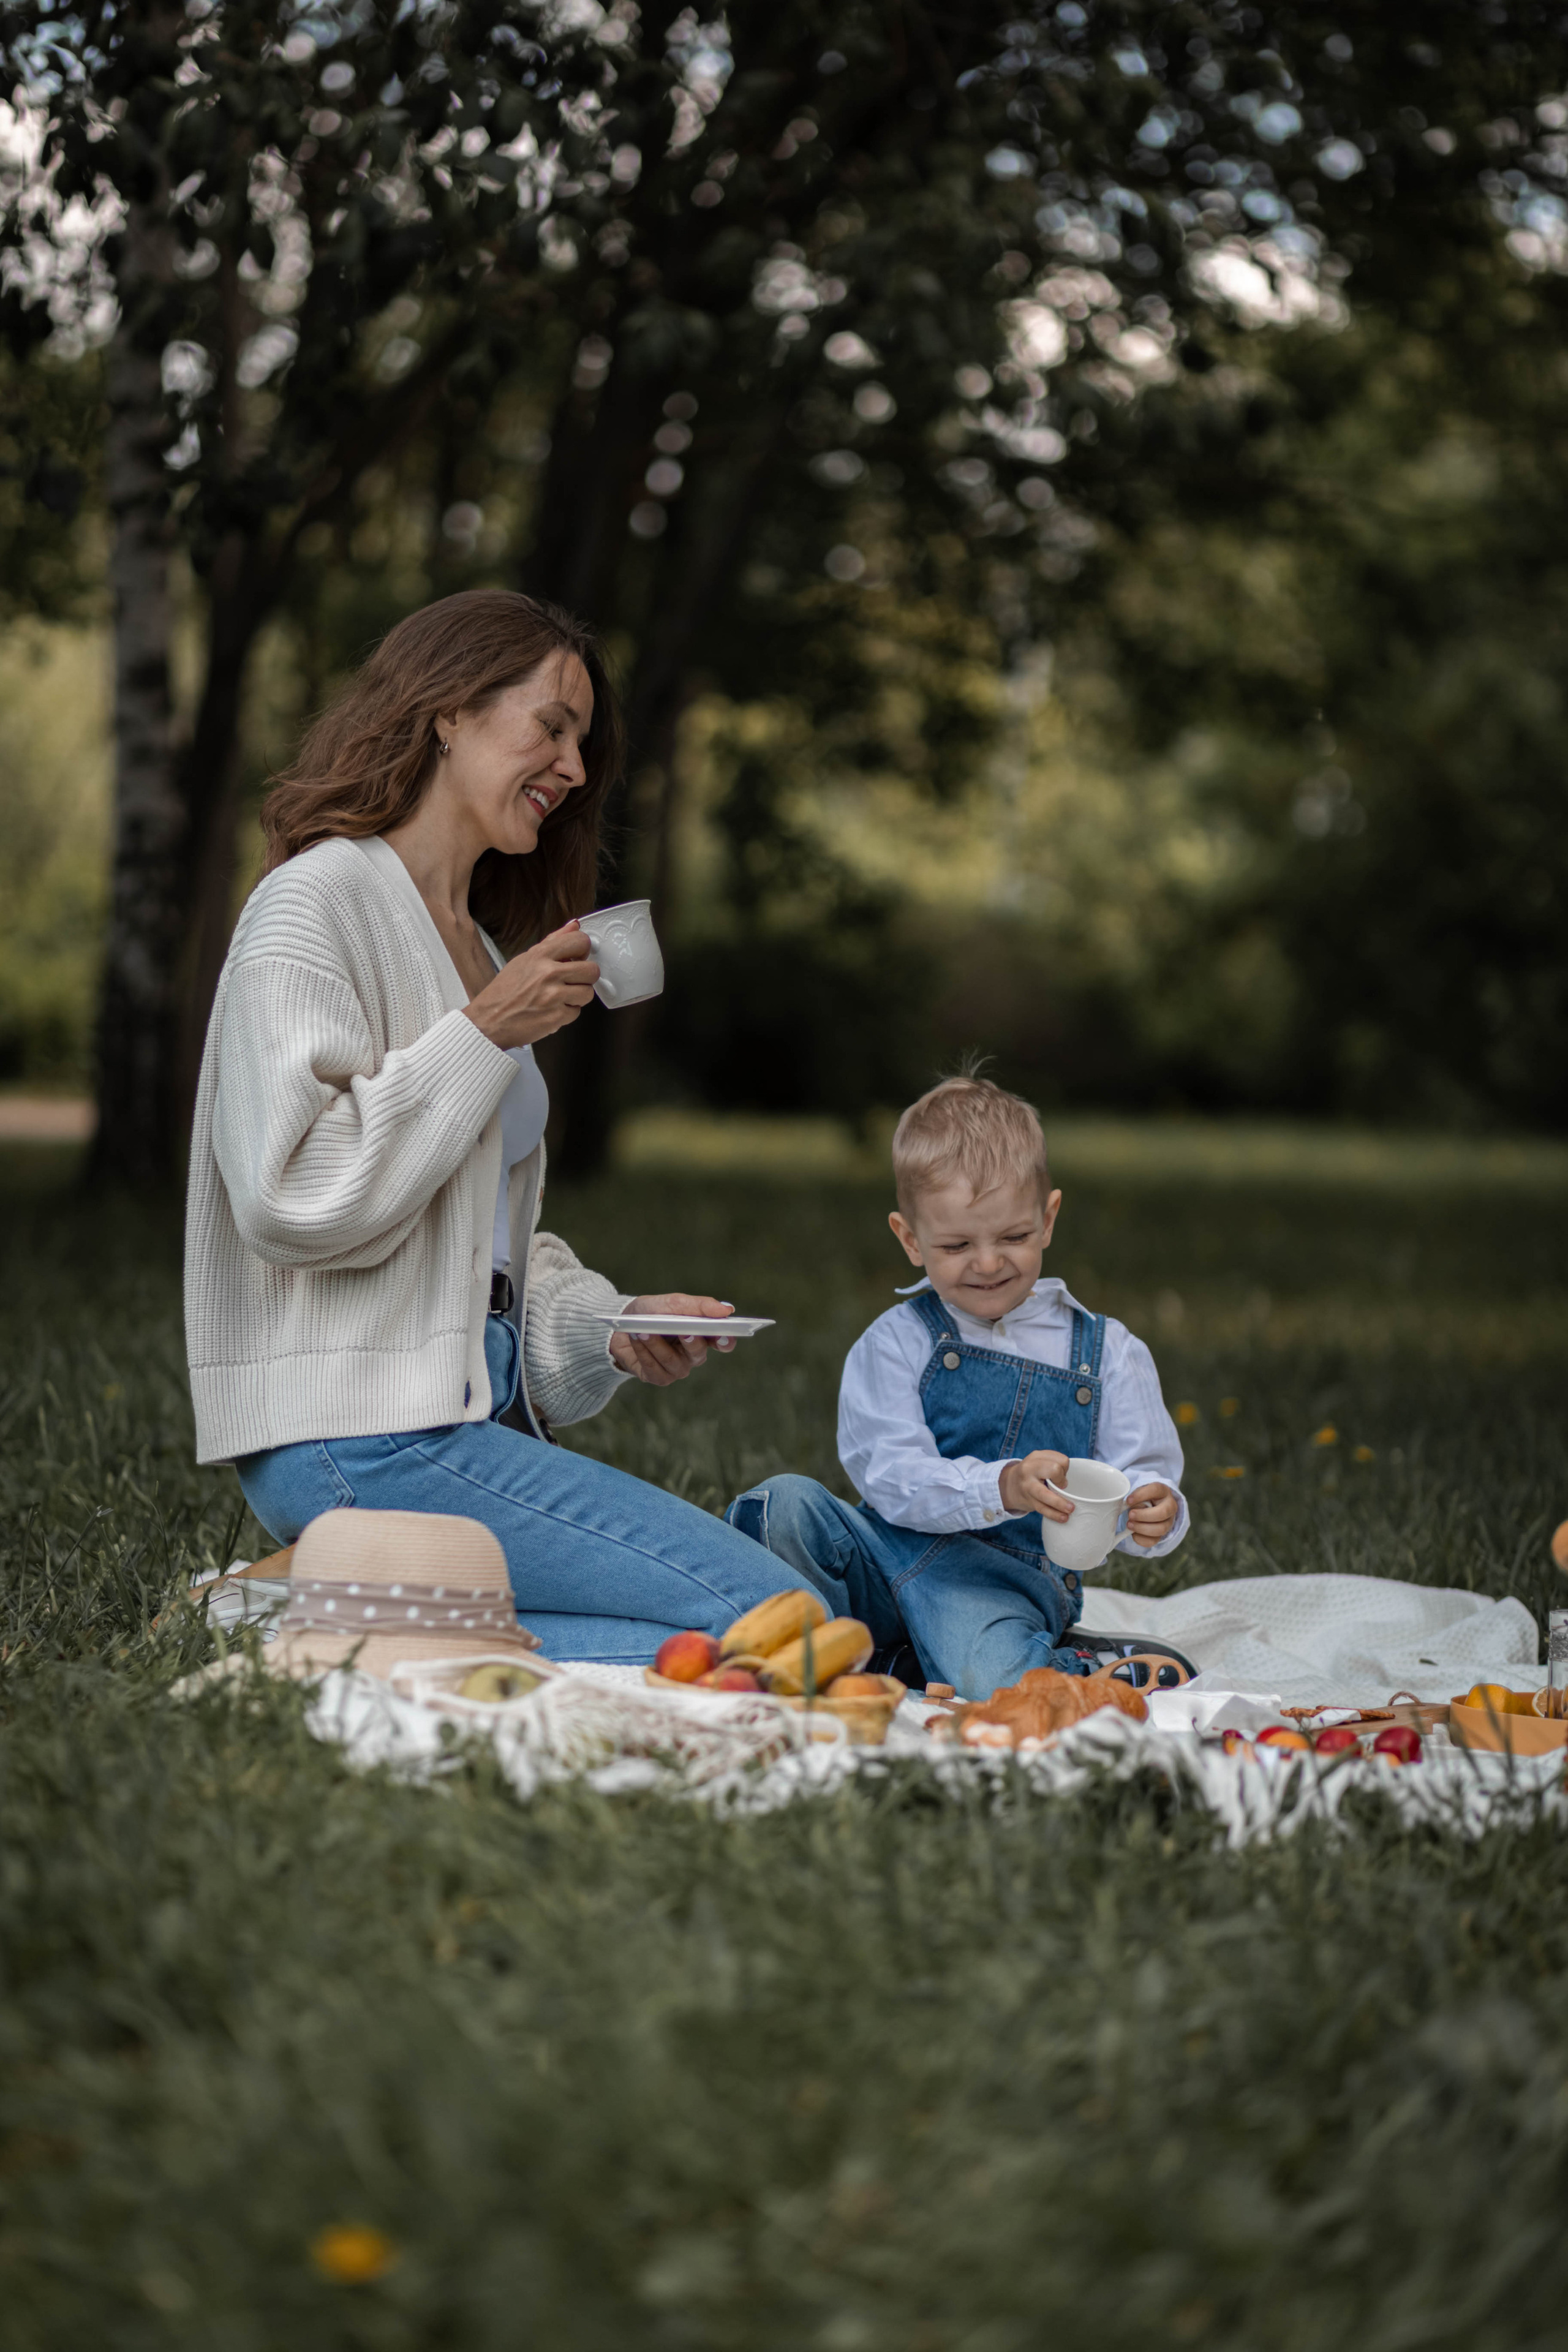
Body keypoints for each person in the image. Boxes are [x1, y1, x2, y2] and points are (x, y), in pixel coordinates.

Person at [184, 589, 895, 1662]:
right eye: (552, 727)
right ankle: (336, 1600)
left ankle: (331, 1612)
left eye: (583, 744)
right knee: (791, 1630)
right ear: (448, 711)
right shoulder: (315, 903)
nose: (572, 767)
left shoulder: (476, 945)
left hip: (457, 1418)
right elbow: (289, 1198)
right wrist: (481, 1034)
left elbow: (472, 1245)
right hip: (355, 1437)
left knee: (765, 1634)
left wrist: (606, 1324)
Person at [723, 1074, 1188, 1698]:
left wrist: (1158, 1514)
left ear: (1048, 1218)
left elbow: (1141, 1479)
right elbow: (890, 1475)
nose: (989, 1262)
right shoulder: (894, 1343)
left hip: (1000, 1587)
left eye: (1014, 1237)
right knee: (780, 1506)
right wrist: (1003, 1486)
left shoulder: (1108, 1352)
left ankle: (1074, 1668)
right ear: (910, 1239)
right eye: (957, 1244)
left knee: (998, 1684)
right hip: (883, 1557)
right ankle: (897, 1658)